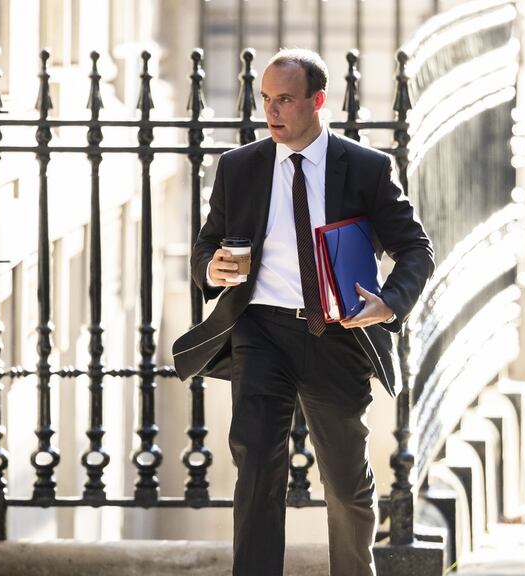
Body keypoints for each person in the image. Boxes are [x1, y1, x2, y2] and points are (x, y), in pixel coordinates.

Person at [172, 48, 434, 576]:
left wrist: (389, 303)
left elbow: (416, 249)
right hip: (260, 331)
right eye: (267, 99)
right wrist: (211, 268)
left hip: (337, 334)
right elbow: (206, 246)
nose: (272, 110)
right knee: (256, 471)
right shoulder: (239, 167)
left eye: (285, 99)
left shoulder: (365, 168)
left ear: (318, 100)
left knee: (345, 482)